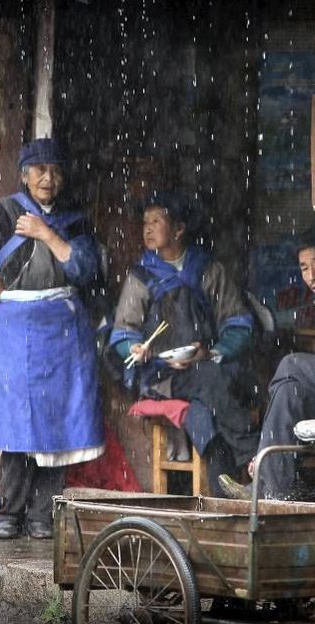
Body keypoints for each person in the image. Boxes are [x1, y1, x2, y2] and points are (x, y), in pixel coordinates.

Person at [0, 138, 103, 540]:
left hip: (62, 334)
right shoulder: (0, 213)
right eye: (39, 170)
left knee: (57, 424)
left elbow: (84, 269)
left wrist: (47, 234)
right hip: (11, 330)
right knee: (16, 422)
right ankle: (8, 512)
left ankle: (44, 515)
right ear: (24, 174)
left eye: (54, 170)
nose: (47, 178)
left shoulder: (74, 222)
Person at [109, 194, 258, 494]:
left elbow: (239, 324)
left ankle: (223, 499)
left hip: (209, 368)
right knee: (209, 380)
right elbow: (124, 332)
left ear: (178, 229)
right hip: (161, 376)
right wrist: (136, 350)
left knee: (203, 415)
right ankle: (255, 457)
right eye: (144, 223)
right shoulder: (141, 276)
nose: (147, 229)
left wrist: (214, 351)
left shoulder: (208, 270)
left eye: (156, 221)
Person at [219, 229, 315, 501]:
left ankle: (263, 463)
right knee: (288, 393)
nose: (312, 275)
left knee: (289, 364)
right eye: (304, 267)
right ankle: (275, 493)